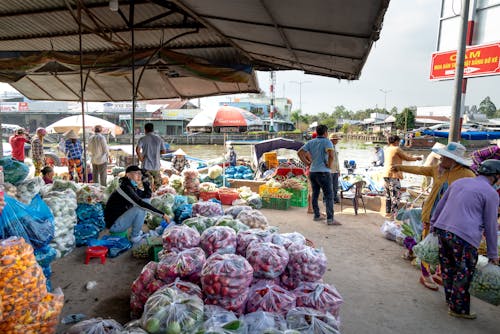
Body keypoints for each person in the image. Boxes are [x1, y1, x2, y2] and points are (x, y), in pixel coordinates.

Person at [392, 142, 475, 290]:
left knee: (444, 247)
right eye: (442, 157)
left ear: (455, 160)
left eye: (446, 157)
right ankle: (425, 275)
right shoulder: (438, 169)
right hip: (431, 214)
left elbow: (478, 191)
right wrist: (400, 167)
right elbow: (420, 169)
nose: (442, 160)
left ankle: (439, 273)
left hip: (451, 218)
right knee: (428, 245)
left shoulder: (467, 175)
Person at [430, 159, 499, 319]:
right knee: (464, 272)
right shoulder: (491, 193)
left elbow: (441, 204)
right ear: (495, 176)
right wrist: (492, 254)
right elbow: (490, 226)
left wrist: (434, 224)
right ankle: (458, 308)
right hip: (465, 237)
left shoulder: (460, 182)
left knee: (448, 268)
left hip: (443, 230)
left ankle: (451, 300)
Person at [104, 165, 170, 244]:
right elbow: (140, 203)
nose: (139, 176)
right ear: (128, 175)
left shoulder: (131, 186)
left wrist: (145, 181)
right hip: (114, 225)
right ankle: (135, 237)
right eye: (136, 173)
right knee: (140, 207)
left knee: (145, 201)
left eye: (140, 174)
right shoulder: (125, 188)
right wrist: (162, 215)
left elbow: (146, 196)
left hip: (119, 220)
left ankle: (137, 232)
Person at [298, 124, 340, 225]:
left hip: (313, 172)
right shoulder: (327, 142)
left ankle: (317, 215)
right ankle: (330, 219)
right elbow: (331, 155)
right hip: (323, 172)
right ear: (326, 133)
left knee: (315, 194)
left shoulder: (311, 142)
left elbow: (300, 152)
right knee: (329, 195)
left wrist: (307, 163)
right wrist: (329, 165)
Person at [383, 135, 422, 219]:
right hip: (394, 174)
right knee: (396, 196)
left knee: (388, 195)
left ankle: (387, 213)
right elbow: (406, 158)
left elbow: (402, 156)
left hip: (386, 174)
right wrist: (416, 158)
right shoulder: (396, 149)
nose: (399, 143)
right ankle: (394, 215)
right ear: (396, 141)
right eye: (399, 141)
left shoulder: (387, 149)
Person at [136, 123, 166, 191]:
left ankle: (148, 198)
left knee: (147, 185)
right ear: (153, 129)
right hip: (156, 166)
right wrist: (156, 153)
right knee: (158, 186)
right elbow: (164, 151)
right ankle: (157, 197)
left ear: (145, 130)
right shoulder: (159, 139)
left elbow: (137, 150)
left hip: (146, 166)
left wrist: (141, 159)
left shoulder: (143, 139)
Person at [328, 133, 341, 204]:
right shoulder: (328, 147)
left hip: (335, 170)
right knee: (329, 186)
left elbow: (337, 160)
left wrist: (338, 170)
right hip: (329, 170)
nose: (337, 141)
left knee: (335, 186)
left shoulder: (334, 147)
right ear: (333, 140)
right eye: (336, 140)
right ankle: (328, 199)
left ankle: (335, 197)